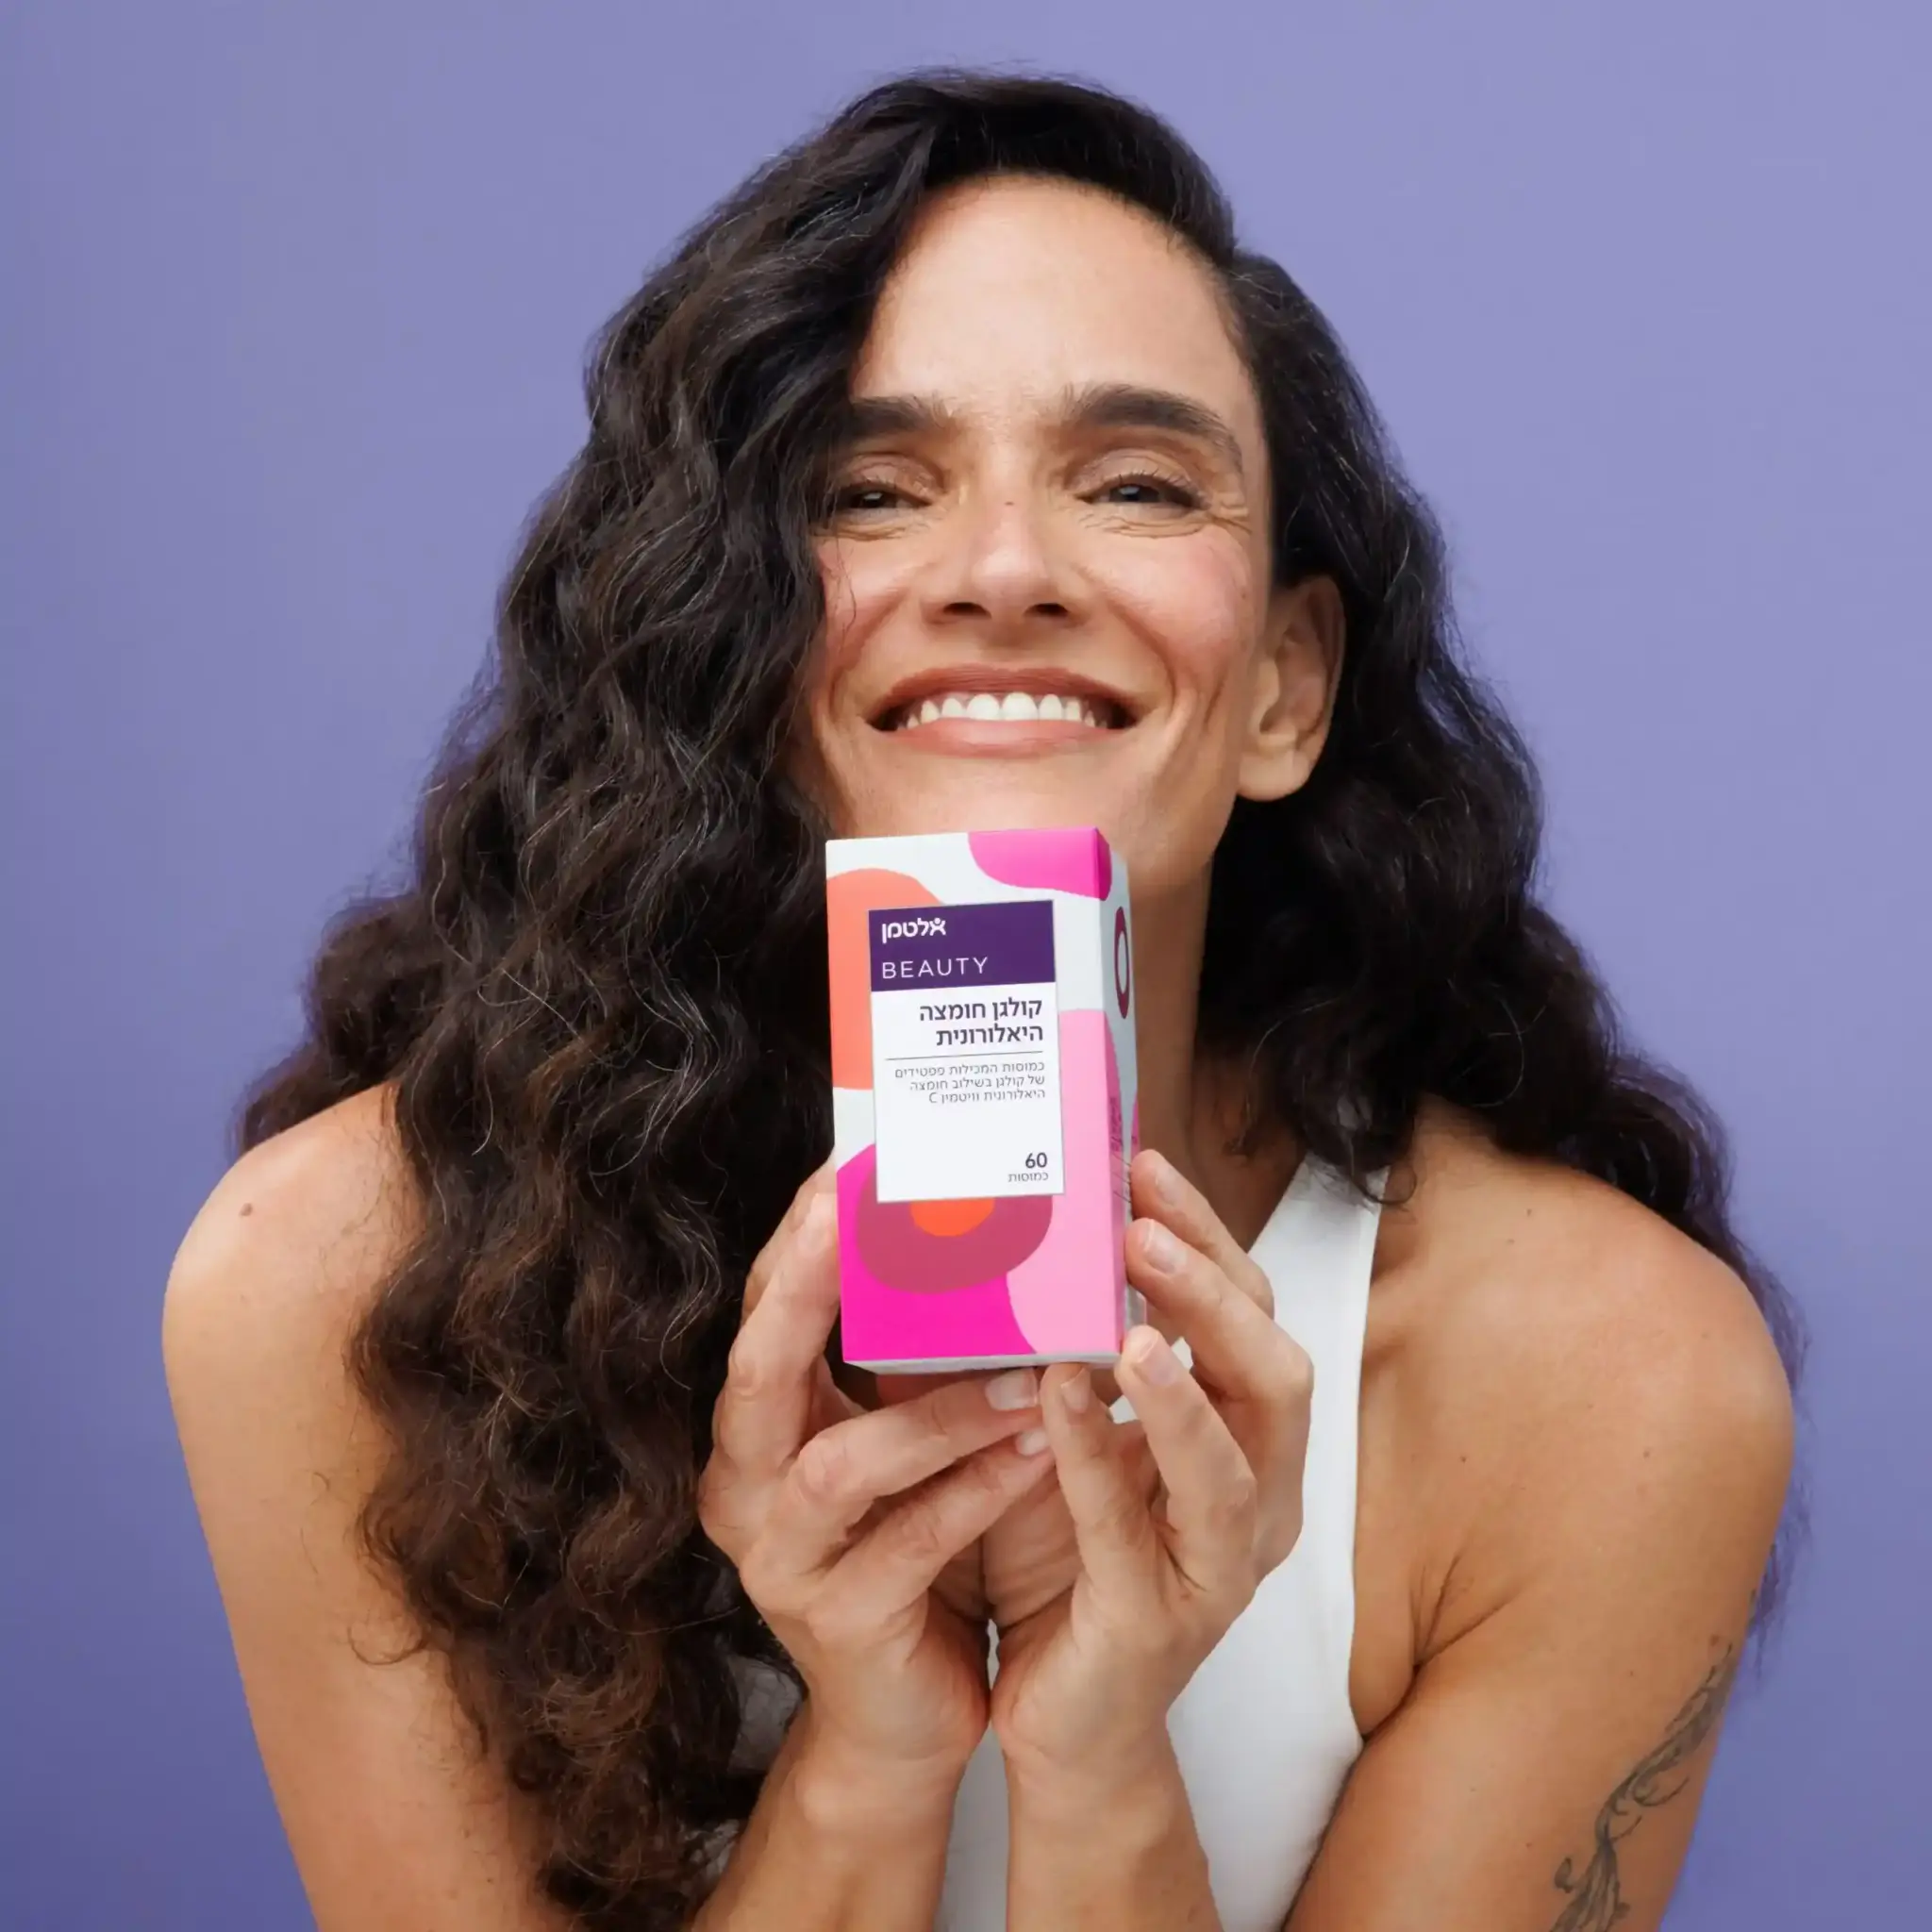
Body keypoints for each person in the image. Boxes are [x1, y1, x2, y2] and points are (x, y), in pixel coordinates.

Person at [162, 71, 1800, 1932]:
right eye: (868, 492)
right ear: (726, 645)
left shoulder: (1611, 1385)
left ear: (1283, 688)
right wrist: (873, 1748)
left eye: (1136, 484)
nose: (1006, 571)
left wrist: (1099, 1752)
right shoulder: (342, 1296)